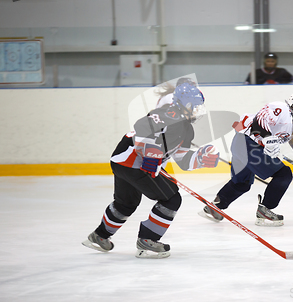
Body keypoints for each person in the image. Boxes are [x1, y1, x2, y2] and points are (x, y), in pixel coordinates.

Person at [82, 83, 220, 258]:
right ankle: (147, 241)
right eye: (195, 106)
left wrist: (200, 159)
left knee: (126, 204)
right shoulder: (167, 114)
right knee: (171, 199)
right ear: (183, 105)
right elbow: (142, 127)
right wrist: (150, 153)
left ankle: (99, 236)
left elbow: (182, 160)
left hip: (124, 163)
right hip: (134, 163)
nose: (198, 111)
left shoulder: (187, 130)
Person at [199, 93, 293, 226]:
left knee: (242, 183)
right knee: (283, 174)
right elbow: (259, 122)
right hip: (248, 144)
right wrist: (269, 140)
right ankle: (265, 210)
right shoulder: (281, 108)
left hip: (243, 145)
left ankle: (214, 208)